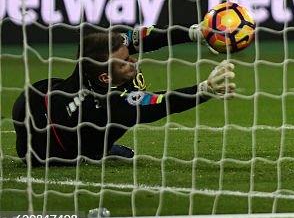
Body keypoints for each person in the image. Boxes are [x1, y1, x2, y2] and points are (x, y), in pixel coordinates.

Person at [12, 24, 236, 166]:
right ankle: (97, 152)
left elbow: (140, 39)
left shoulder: (91, 54)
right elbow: (160, 103)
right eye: (125, 62)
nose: (133, 60)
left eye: (129, 54)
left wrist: (191, 33)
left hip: (40, 99)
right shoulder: (107, 106)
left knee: (132, 81)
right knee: (134, 91)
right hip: (48, 150)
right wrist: (203, 90)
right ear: (105, 79)